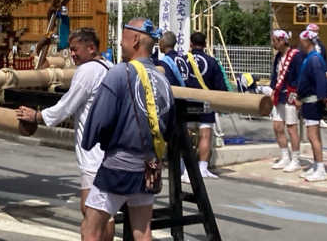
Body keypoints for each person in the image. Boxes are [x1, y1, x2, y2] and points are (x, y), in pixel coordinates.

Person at [80, 18, 175, 241]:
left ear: (134, 40)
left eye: (122, 39)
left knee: (90, 228)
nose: (119, 44)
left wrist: (90, 142)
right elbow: (169, 126)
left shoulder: (120, 72)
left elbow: (99, 119)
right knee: (142, 231)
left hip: (119, 165)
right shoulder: (163, 79)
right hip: (149, 166)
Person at [15, 28, 113, 238]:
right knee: (105, 213)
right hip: (109, 150)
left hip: (93, 153)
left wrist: (37, 117)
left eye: (76, 50)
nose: (73, 54)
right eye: (71, 50)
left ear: (91, 48)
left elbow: (66, 106)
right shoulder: (110, 66)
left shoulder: (87, 71)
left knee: (90, 213)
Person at [183, 31, 227, 180]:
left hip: (187, 102)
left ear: (190, 43)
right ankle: (202, 168)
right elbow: (220, 86)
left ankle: (184, 167)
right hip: (206, 103)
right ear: (205, 44)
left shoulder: (183, 60)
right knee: (205, 135)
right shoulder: (212, 61)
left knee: (187, 135)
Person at [294, 29, 327, 182]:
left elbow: (321, 81)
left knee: (313, 136)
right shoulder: (310, 57)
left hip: (312, 101)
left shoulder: (315, 59)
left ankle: (320, 168)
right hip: (308, 100)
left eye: (301, 41)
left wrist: (324, 98)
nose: (299, 44)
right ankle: (317, 165)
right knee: (313, 136)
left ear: (306, 42)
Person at [269, 29, 303, 173]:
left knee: (291, 128)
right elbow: (274, 76)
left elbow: (300, 77)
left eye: (275, 41)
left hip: (291, 95)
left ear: (282, 41)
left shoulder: (296, 56)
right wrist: (272, 90)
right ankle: (285, 156)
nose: (273, 44)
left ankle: (295, 159)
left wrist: (298, 96)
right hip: (279, 95)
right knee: (277, 126)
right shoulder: (278, 56)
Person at [307, 23, 327, 129]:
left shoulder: (320, 45)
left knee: (321, 95)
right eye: (315, 31)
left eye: (317, 31)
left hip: (320, 74)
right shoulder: (305, 45)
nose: (316, 34)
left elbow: (325, 58)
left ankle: (320, 118)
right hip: (309, 74)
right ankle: (307, 117)